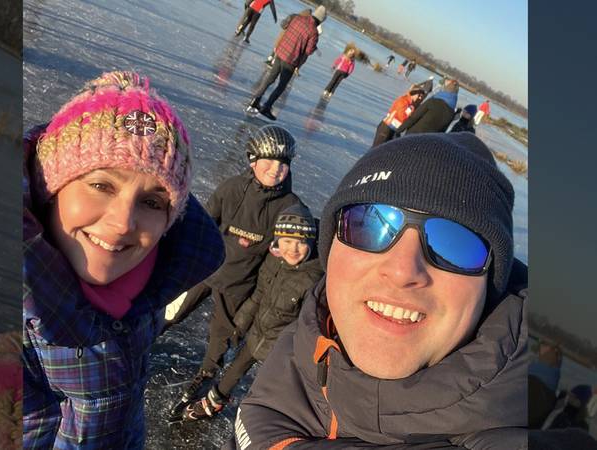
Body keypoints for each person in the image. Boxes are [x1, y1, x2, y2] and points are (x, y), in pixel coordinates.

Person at [230, 133, 528, 448]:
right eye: (370, 225)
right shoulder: (302, 343)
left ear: (488, 286)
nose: (402, 271)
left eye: (455, 244)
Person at [22, 71, 225, 448]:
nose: (122, 224)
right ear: (49, 187)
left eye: (151, 202)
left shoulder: (149, 284)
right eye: (101, 185)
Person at [163, 125, 301, 414]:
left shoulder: (288, 207)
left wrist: (257, 302)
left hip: (239, 284)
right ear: (252, 160)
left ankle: (205, 376)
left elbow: (280, 260)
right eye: (269, 161)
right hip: (207, 268)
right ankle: (143, 338)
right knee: (171, 311)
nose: (276, 169)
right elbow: (204, 225)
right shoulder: (232, 188)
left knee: (220, 336)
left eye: (283, 164)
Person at [180, 204, 324, 421]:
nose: (293, 249)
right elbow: (259, 295)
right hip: (259, 331)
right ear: (277, 241)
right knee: (236, 369)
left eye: (301, 242)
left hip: (283, 347)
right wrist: (239, 325)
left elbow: (309, 323)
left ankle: (260, 422)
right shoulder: (274, 260)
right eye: (287, 241)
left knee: (268, 388)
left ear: (311, 242)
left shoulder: (314, 277)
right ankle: (214, 401)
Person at [246, 6, 327, 121]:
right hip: (291, 60)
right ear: (321, 20)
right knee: (281, 86)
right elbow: (308, 51)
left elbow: (284, 25)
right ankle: (267, 107)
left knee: (270, 79)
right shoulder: (314, 32)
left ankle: (255, 101)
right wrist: (313, 46)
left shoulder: (298, 18)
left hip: (280, 52)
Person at [394, 78, 459, 135]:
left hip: (413, 135)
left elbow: (414, 117)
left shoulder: (433, 101)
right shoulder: (451, 112)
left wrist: (399, 130)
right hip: (427, 142)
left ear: (446, 88)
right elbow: (442, 132)